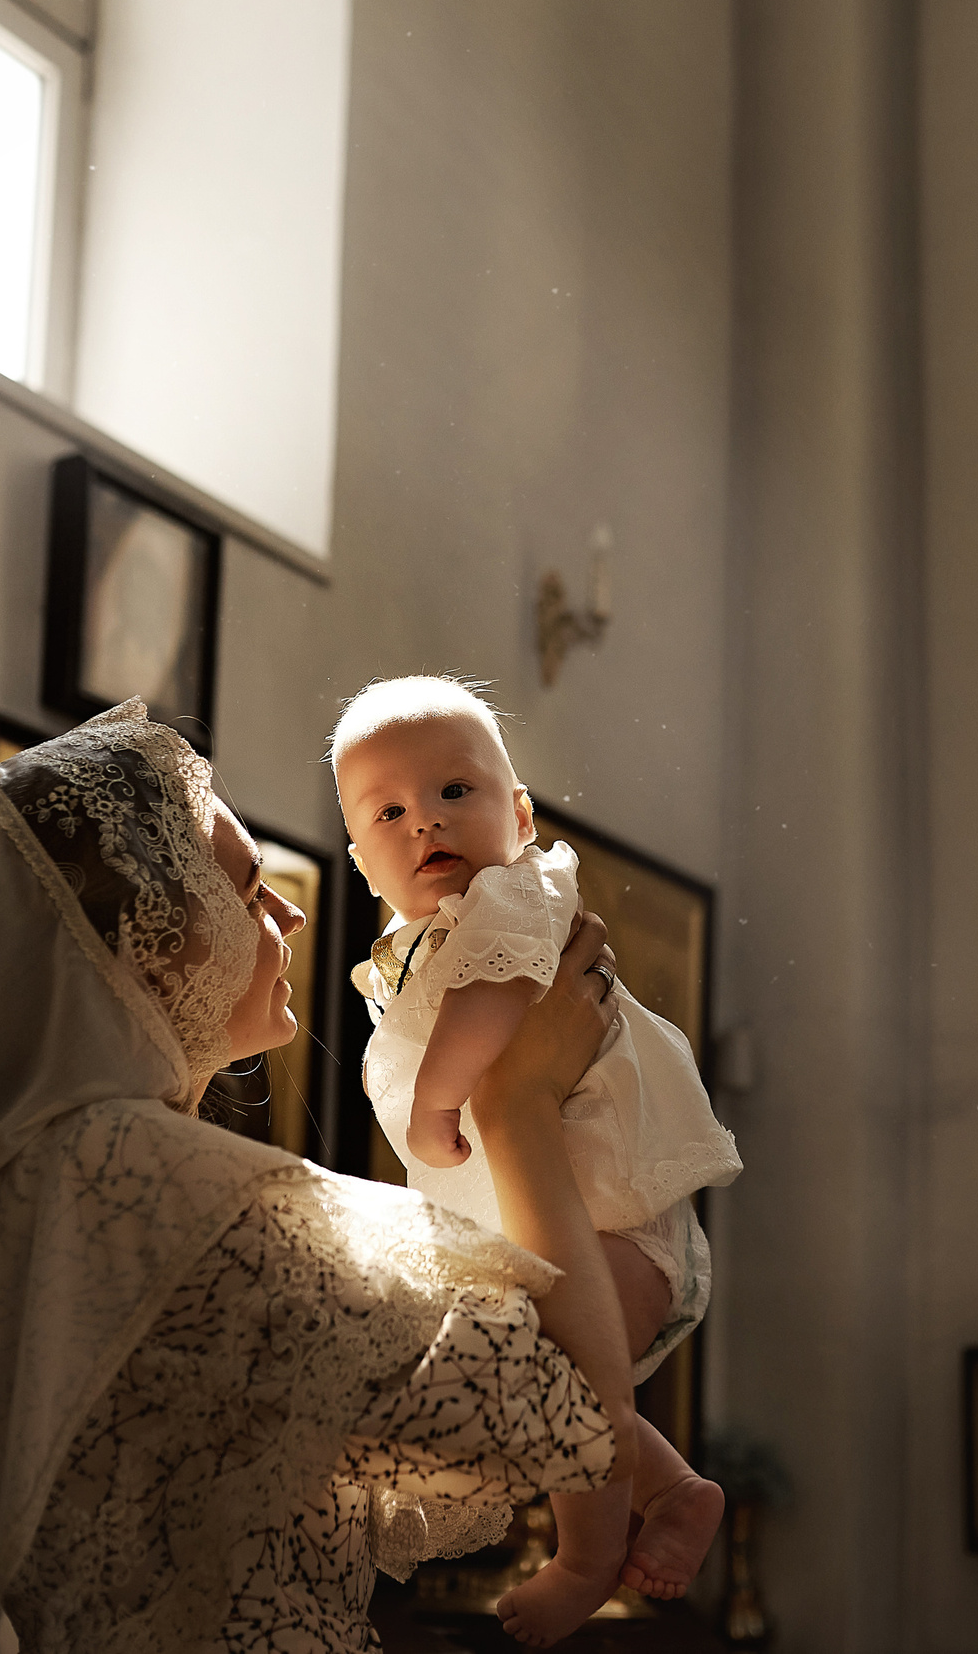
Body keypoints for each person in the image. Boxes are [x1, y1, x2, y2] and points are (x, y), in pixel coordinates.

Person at [0, 698, 638, 1654]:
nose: (289, 909)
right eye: (245, 889)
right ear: (152, 941)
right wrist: (518, 1102)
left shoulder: (36, 1185)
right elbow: (577, 1412)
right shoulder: (129, 1182)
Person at [330, 676, 740, 1644]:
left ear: (519, 813)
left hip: (611, 1220)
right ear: (361, 859)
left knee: (563, 1385)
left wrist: (437, 1100)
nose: (424, 817)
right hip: (578, 1218)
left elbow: (497, 998)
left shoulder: (514, 897)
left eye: (453, 791)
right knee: (551, 1376)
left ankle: (585, 1558)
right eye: (388, 810)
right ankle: (674, 1490)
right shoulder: (416, 941)